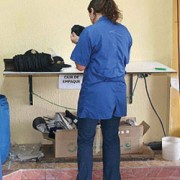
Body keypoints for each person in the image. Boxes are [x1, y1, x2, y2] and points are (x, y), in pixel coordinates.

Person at [70, 0, 132, 179]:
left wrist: (79, 42)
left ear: (92, 11)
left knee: (86, 139)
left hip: (95, 93)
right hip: (116, 93)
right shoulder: (124, 31)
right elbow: (119, 58)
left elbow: (81, 65)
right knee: (111, 138)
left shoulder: (90, 32)